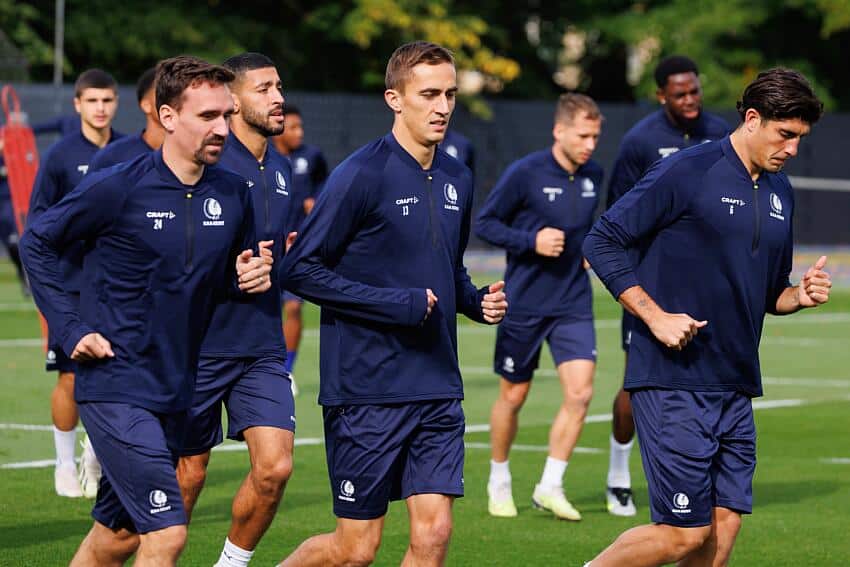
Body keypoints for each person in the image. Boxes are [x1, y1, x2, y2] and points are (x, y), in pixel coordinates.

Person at [20, 55, 273, 567]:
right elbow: (37, 243)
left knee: (115, 538)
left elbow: (228, 275)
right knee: (167, 534)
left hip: (179, 386)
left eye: (226, 115)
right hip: (116, 382)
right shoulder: (118, 186)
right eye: (207, 116)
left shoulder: (233, 193)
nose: (222, 129)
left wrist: (250, 276)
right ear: (167, 116)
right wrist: (70, 328)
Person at [582, 68, 829, 567]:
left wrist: (798, 296)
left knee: (724, 525)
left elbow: (771, 293)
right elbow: (601, 241)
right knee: (682, 533)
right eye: (785, 134)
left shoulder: (781, 191)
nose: (792, 149)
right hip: (674, 380)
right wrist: (655, 317)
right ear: (753, 118)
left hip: (736, 384)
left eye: (801, 138)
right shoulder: (687, 170)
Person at [276, 41, 507, 567]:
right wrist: (394, 305)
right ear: (395, 99)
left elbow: (447, 267)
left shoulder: (458, 177)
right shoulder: (360, 174)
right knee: (355, 550)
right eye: (429, 94)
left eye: (450, 94)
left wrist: (475, 302)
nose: (443, 107)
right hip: (367, 390)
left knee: (435, 533)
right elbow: (298, 269)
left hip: (437, 385)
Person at [175, 52, 294, 567]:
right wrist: (232, 272)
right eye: (264, 89)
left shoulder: (283, 169)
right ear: (234, 101)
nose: (278, 98)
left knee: (275, 468)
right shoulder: (209, 165)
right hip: (200, 346)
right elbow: (177, 256)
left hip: (262, 346)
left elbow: (284, 254)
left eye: (279, 87)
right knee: (188, 475)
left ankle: (231, 564)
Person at [603, 55, 730, 516]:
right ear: (661, 95)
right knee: (635, 383)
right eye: (680, 94)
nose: (690, 100)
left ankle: (703, 478)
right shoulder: (639, 142)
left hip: (708, 284)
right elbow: (616, 216)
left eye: (695, 91)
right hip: (650, 283)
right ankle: (618, 474)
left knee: (711, 378)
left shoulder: (722, 134)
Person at [475, 93, 603, 521]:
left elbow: (588, 227)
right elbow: (486, 223)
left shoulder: (594, 175)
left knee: (581, 393)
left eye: (595, 137)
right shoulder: (524, 173)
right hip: (525, 302)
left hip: (573, 301)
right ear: (559, 131)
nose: (590, 145)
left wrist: (591, 250)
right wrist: (531, 241)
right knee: (514, 396)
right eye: (582, 136)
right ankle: (499, 479)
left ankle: (550, 485)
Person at [27, 68, 123, 499]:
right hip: (70, 285)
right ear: (77, 105)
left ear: (116, 103)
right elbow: (38, 223)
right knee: (70, 377)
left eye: (107, 100)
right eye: (92, 101)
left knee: (117, 373)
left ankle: (97, 457)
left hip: (118, 286)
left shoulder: (129, 151)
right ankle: (64, 465)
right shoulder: (60, 156)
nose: (100, 108)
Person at [271, 103, 329, 395]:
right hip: (267, 248)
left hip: (298, 249)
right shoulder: (264, 157)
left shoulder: (311, 157)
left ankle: (286, 371)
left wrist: (316, 200)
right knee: (266, 311)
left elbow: (325, 184)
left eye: (300, 127)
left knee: (293, 307)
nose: (299, 133)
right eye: (292, 127)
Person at [89, 67, 166, 171]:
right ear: (146, 105)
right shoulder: (111, 157)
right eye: (166, 94)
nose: (175, 102)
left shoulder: (188, 156)